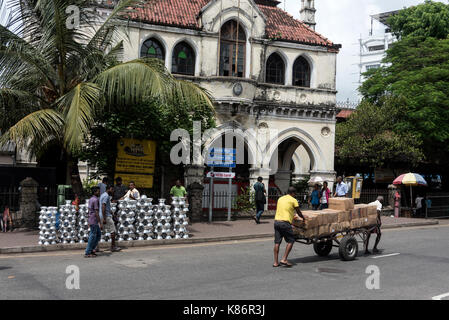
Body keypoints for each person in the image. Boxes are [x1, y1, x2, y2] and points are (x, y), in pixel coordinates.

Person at [273, 187, 305, 268]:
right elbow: (298, 212)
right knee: (291, 240)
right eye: (295, 193)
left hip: (276, 222)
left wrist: (291, 215)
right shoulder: (293, 200)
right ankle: (284, 259)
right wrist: (303, 218)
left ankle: (276, 262)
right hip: (285, 223)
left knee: (277, 243)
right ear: (293, 193)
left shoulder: (280, 198)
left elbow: (285, 209)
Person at [100, 185, 121, 252]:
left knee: (99, 232)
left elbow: (106, 207)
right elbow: (103, 206)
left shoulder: (103, 195)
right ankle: (113, 246)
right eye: (112, 189)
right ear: (109, 189)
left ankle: (95, 247)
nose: (113, 191)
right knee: (113, 231)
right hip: (106, 216)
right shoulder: (106, 196)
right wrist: (104, 218)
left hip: (104, 215)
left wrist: (112, 212)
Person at [85, 187, 102, 258]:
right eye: (98, 191)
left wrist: (88, 219)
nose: (99, 192)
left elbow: (89, 210)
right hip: (94, 220)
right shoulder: (95, 200)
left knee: (98, 235)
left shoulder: (91, 199)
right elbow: (96, 212)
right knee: (92, 236)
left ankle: (91, 249)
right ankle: (88, 252)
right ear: (95, 192)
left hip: (91, 219)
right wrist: (100, 223)